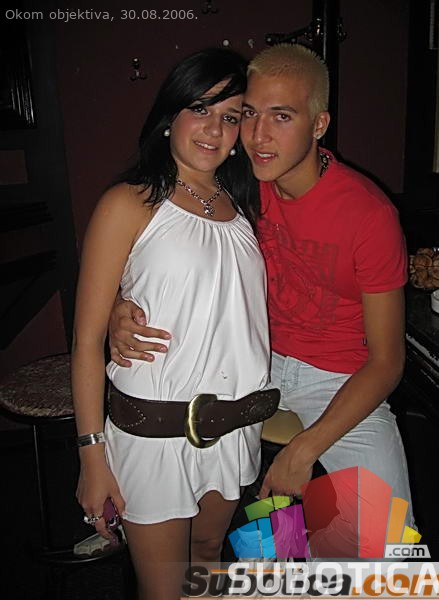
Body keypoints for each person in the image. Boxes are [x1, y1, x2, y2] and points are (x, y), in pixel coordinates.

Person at [109, 44, 414, 557]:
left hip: (337, 376)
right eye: (249, 114)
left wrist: (304, 449)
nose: (258, 135)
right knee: (240, 527)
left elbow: (388, 361)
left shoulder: (369, 215)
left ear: (319, 125)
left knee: (391, 547)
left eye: (282, 116)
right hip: (251, 361)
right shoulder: (236, 182)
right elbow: (157, 236)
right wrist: (122, 302)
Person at [71, 47, 279, 600]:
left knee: (207, 562)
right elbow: (86, 341)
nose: (214, 129)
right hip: (154, 433)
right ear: (170, 116)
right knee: (164, 588)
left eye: (230, 116)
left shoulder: (244, 204)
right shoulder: (129, 202)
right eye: (200, 108)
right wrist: (92, 454)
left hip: (233, 428)